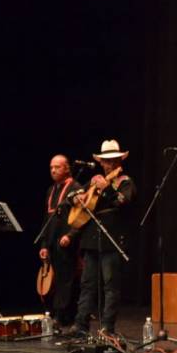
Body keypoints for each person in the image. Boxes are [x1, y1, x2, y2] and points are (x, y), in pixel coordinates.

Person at [69, 140, 136, 335]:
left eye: (113, 160)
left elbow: (123, 201)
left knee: (110, 286)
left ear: (118, 161)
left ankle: (107, 328)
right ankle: (80, 325)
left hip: (112, 238)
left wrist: (106, 188)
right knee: (87, 284)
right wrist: (76, 198)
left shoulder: (125, 182)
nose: (109, 164)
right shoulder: (94, 180)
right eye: (106, 161)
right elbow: (71, 196)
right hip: (91, 239)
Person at [38, 155, 83, 327]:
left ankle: (63, 316)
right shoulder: (51, 190)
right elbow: (46, 219)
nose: (53, 170)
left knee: (66, 280)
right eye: (51, 167)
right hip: (52, 242)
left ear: (67, 168)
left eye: (57, 167)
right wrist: (44, 244)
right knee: (54, 281)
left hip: (67, 242)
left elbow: (81, 217)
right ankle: (55, 314)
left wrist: (70, 235)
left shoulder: (76, 188)